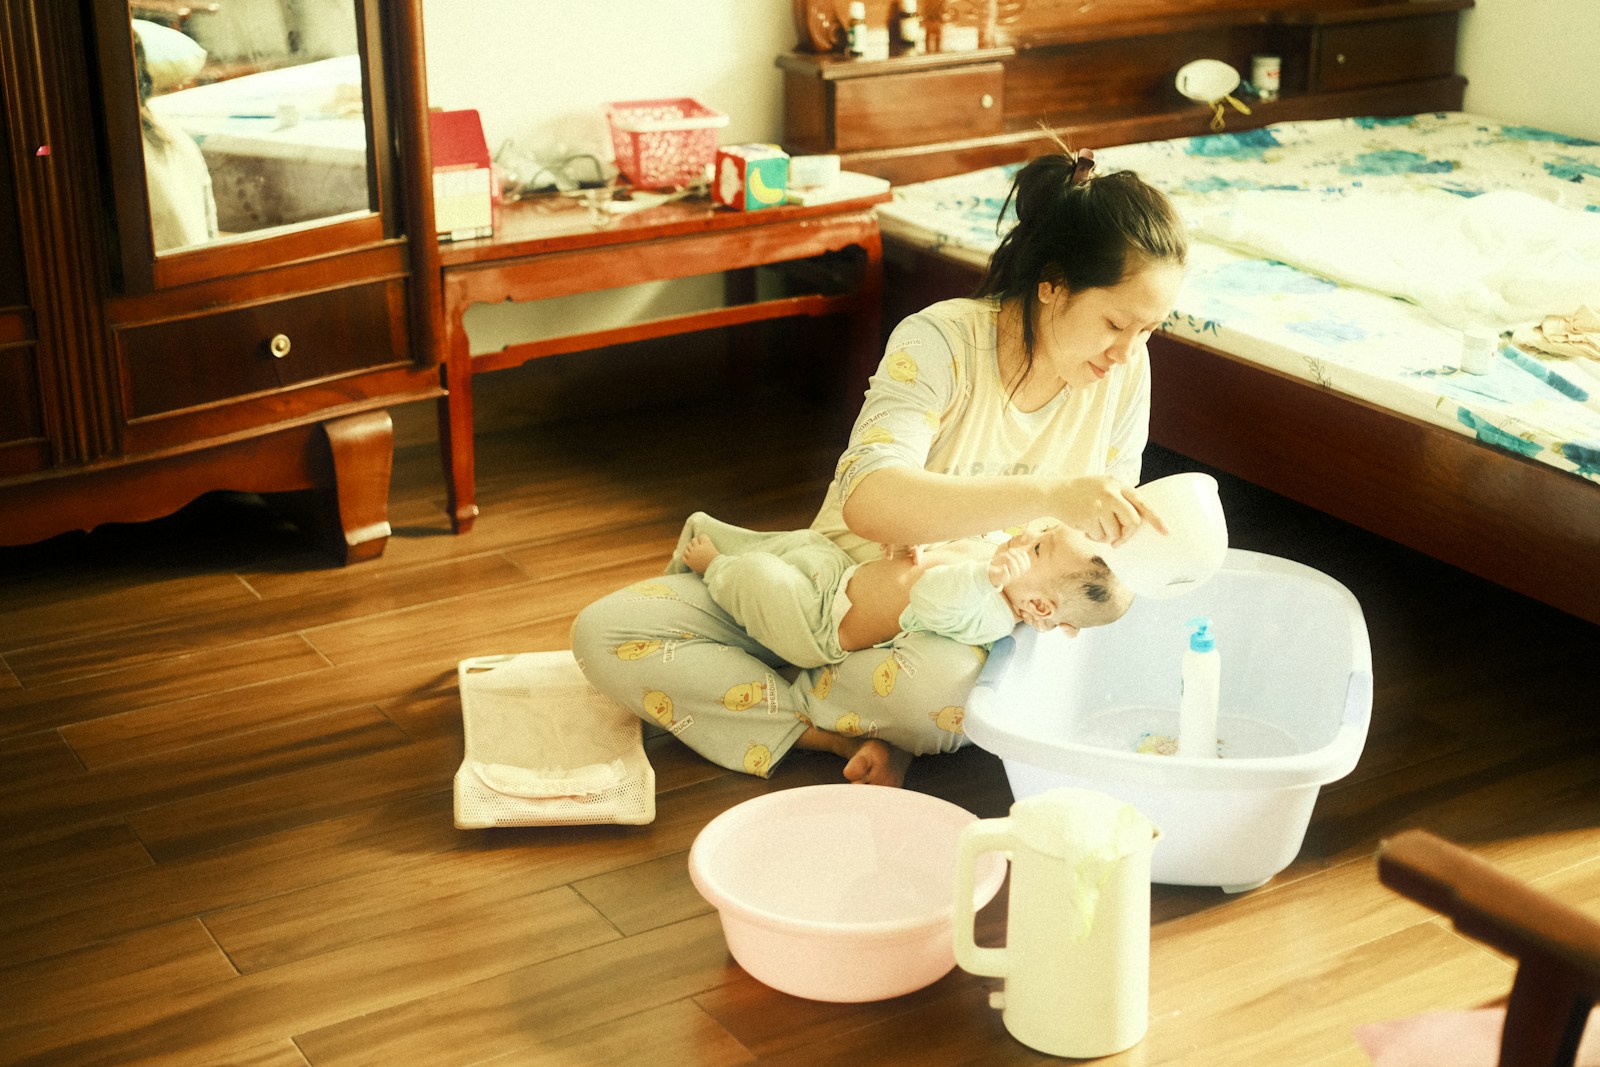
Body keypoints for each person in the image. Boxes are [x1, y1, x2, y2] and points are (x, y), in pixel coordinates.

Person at [572, 146, 1187, 787]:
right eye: (1117, 323)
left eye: (1149, 331)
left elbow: (1098, 554)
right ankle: (839, 728)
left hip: (956, 627)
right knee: (607, 632)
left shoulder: (1125, 371)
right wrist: (1053, 494)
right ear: (1053, 287)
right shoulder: (941, 341)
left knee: (948, 681)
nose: (1127, 352)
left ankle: (798, 704)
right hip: (824, 588)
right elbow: (870, 500)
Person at [671, 511, 1132, 669]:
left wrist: (985, 579)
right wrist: (910, 547)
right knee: (803, 544)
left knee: (760, 577)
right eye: (1039, 533)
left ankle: (716, 568)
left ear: (1036, 605)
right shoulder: (994, 562)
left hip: (821, 626)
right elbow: (933, 563)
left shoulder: (990, 613)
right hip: (840, 578)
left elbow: (930, 599)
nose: (1023, 537)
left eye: (1037, 549)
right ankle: (721, 548)